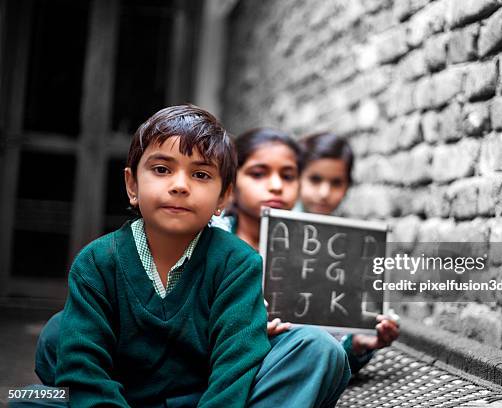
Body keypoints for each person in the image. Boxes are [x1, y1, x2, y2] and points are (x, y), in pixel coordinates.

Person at [21, 107, 349, 408]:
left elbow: (233, 371)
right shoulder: (96, 261)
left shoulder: (238, 263)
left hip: (203, 398)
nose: (180, 185)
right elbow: (84, 372)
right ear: (132, 185)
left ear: (223, 196)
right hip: (124, 396)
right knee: (31, 395)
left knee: (317, 349)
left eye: (201, 175)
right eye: (162, 169)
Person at [216, 128, 397, 377]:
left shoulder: (315, 253)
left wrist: (355, 346)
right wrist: (245, 333)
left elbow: (322, 349)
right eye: (258, 174)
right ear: (231, 181)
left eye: (288, 176)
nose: (276, 186)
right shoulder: (209, 243)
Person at [298, 131, 400, 372]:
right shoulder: (271, 233)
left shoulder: (349, 245)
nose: (324, 192)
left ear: (347, 186)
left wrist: (359, 341)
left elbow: (342, 328)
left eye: (336, 183)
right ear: (296, 177)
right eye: (315, 179)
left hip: (323, 363)